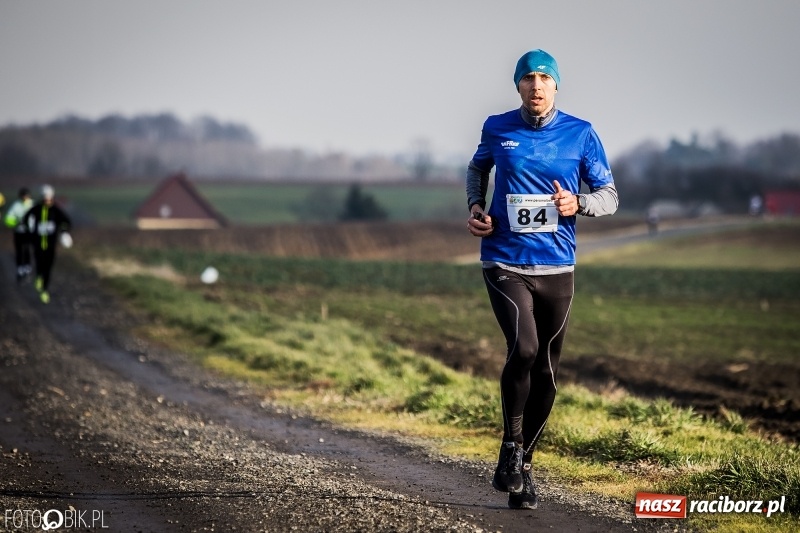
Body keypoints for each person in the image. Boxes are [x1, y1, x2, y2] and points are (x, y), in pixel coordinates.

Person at [465, 49, 618, 510]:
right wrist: (476, 206)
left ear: (555, 85)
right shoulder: (497, 127)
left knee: (547, 372)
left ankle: (525, 467)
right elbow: (478, 168)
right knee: (525, 349)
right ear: (518, 85)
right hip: (504, 261)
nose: (536, 85)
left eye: (544, 78)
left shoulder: (581, 133)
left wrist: (578, 203)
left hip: (557, 267)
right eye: (528, 78)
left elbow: (609, 196)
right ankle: (510, 446)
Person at [23, 184, 72, 304]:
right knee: (39, 263)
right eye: (45, 197)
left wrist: (64, 232)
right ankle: (38, 277)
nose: (46, 199)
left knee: (48, 267)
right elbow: (26, 219)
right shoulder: (36, 209)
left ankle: (44, 290)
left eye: (48, 197)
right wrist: (29, 231)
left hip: (51, 245)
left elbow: (67, 222)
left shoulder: (56, 210)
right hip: (38, 243)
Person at [4, 187, 35, 282]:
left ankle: (27, 268)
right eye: (24, 195)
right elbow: (8, 218)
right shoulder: (16, 206)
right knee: (19, 250)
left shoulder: (32, 205)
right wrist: (16, 223)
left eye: (27, 195)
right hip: (19, 231)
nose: (25, 197)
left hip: (29, 232)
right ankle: (20, 269)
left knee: (27, 249)